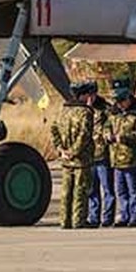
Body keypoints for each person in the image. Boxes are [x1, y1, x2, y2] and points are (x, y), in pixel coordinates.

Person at [49, 81, 96, 229]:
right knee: (80, 191)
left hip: (66, 159)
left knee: (66, 191)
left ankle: (64, 221)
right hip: (81, 160)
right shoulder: (85, 112)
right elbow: (84, 135)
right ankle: (78, 221)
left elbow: (54, 129)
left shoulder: (63, 110)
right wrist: (74, 152)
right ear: (83, 95)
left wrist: (61, 149)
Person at [108, 84, 136, 227]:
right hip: (116, 159)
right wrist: (108, 135)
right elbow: (107, 127)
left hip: (132, 159)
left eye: (121, 101)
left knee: (134, 190)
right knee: (121, 191)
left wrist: (125, 137)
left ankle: (135, 216)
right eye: (117, 102)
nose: (119, 105)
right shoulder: (114, 114)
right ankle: (124, 215)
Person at [83, 82, 115, 228]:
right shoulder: (83, 110)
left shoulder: (106, 109)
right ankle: (94, 217)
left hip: (102, 154)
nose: (90, 97)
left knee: (107, 188)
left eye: (92, 94)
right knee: (91, 189)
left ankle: (107, 217)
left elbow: (112, 125)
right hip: (89, 155)